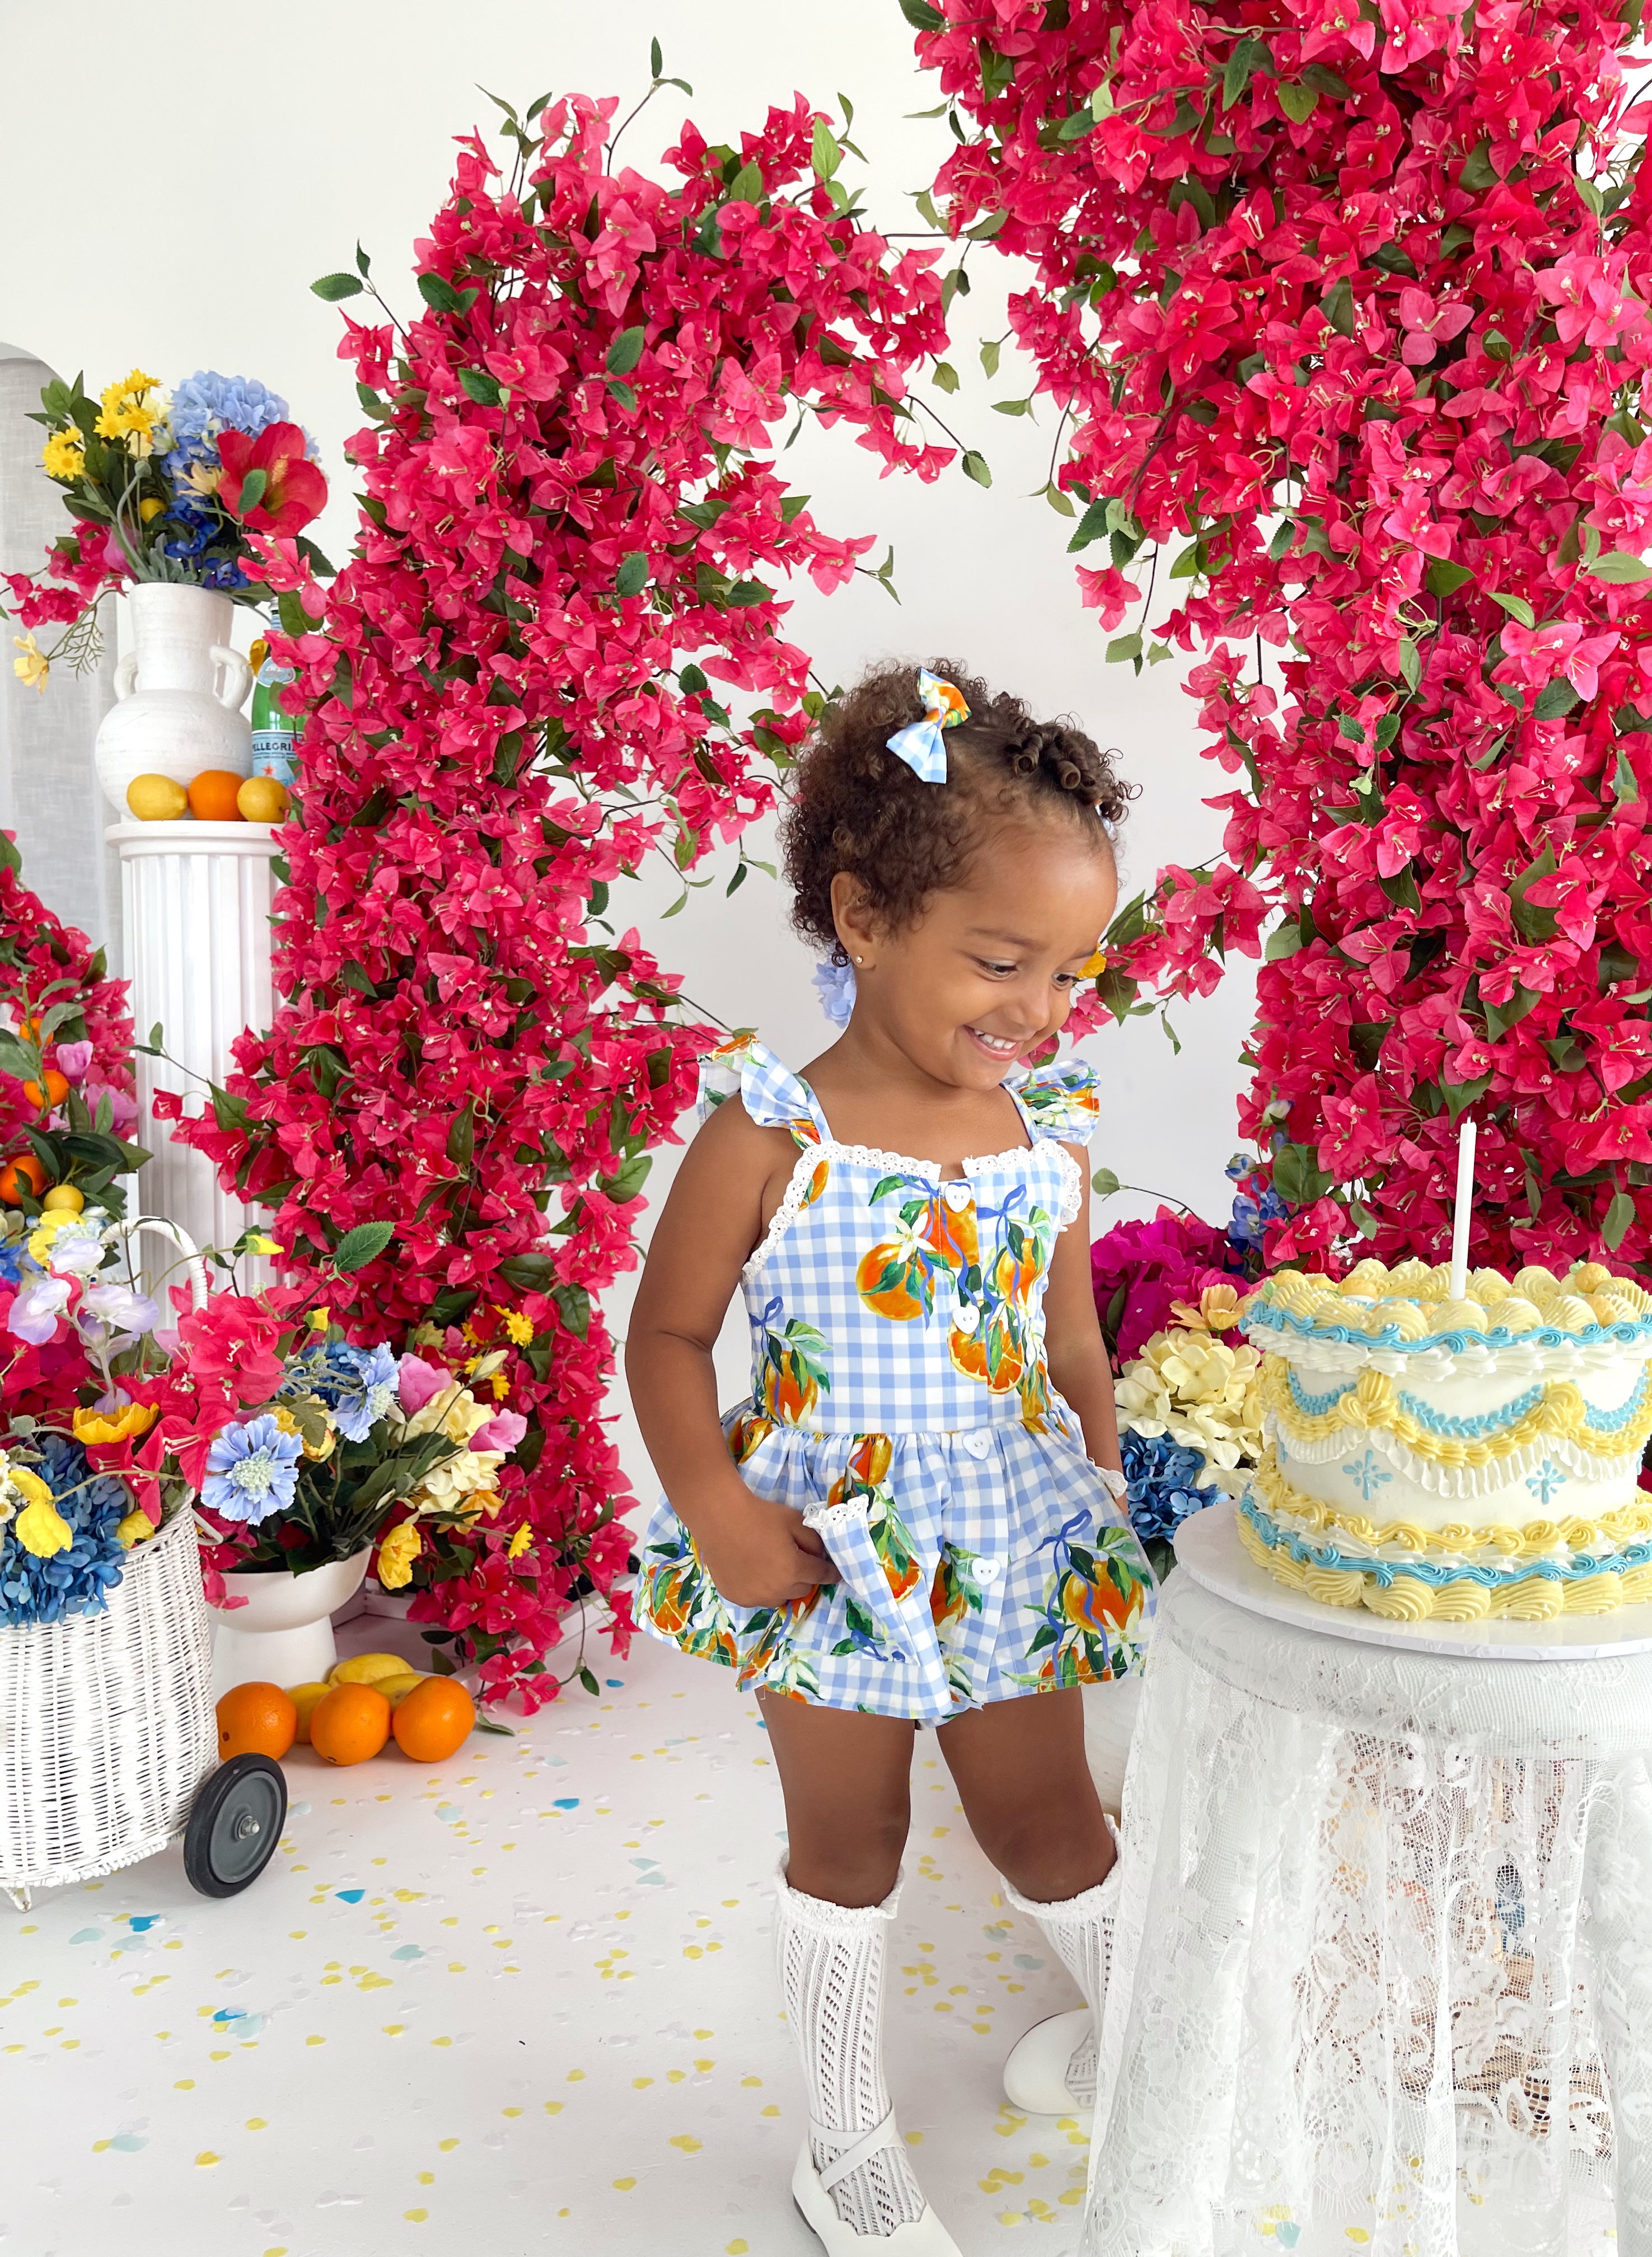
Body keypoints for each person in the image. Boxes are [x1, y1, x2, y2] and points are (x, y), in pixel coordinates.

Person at [626, 661, 1153, 2253]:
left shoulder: (1045, 1140)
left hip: (1008, 1535)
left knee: (1051, 1823)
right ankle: (843, 2144)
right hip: (829, 1552)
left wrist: (1108, 1483)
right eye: (1001, 962)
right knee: (849, 1843)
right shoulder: (769, 1130)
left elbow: (1068, 1347)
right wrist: (715, 1507)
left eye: (1067, 974)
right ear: (863, 919)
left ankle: (1159, 2049)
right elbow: (668, 1336)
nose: (1037, 1012)